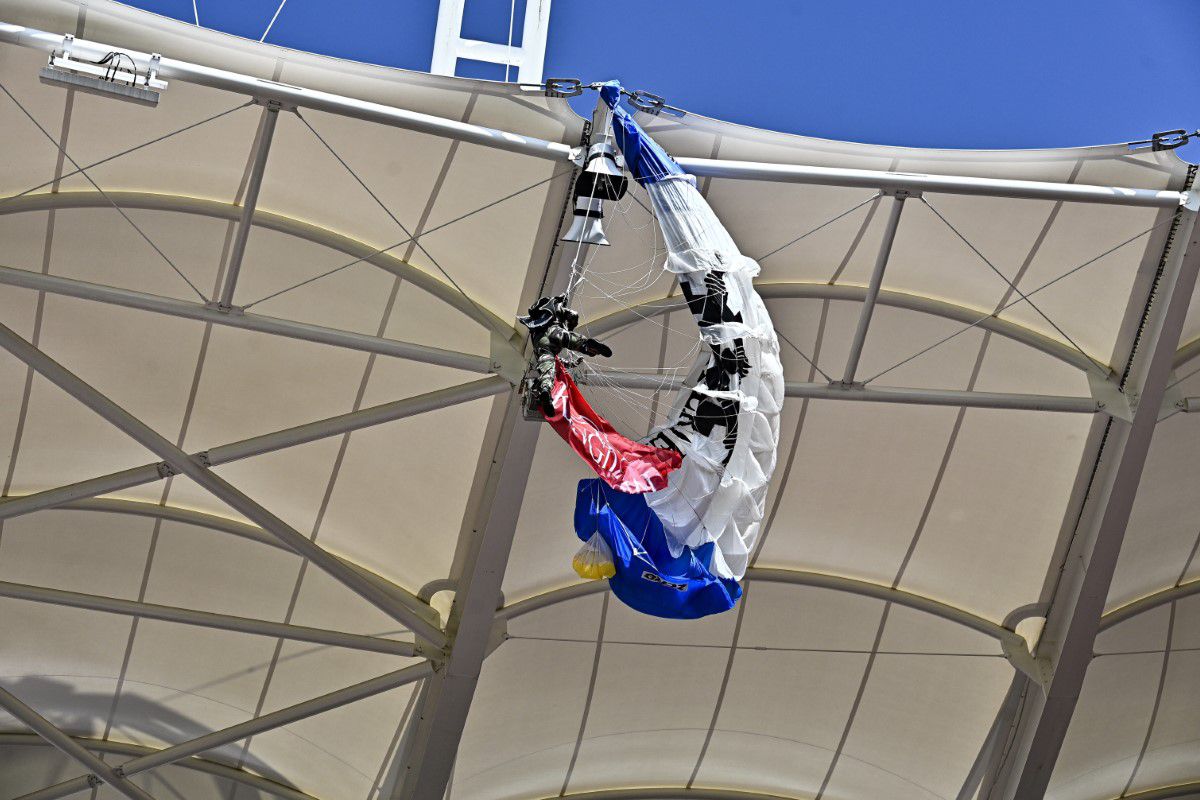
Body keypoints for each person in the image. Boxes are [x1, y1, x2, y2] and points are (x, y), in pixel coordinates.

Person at [518, 294, 611, 415]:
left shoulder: (537, 320)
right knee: (569, 338)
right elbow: (574, 315)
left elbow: (556, 362)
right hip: (555, 332)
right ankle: (587, 346)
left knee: (548, 370)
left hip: (541, 344)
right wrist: (570, 326)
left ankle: (545, 389)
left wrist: (571, 363)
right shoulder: (558, 308)